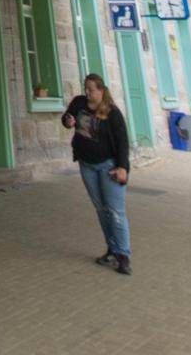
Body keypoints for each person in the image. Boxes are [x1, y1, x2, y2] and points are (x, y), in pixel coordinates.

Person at [61, 73, 132, 275]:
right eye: (86, 88)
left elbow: (122, 142)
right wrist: (68, 121)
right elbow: (67, 119)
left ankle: (124, 255)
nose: (87, 92)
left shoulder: (112, 113)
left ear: (101, 90)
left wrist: (122, 167)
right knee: (101, 209)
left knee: (115, 211)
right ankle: (112, 249)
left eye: (91, 89)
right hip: (87, 164)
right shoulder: (79, 103)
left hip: (108, 166)